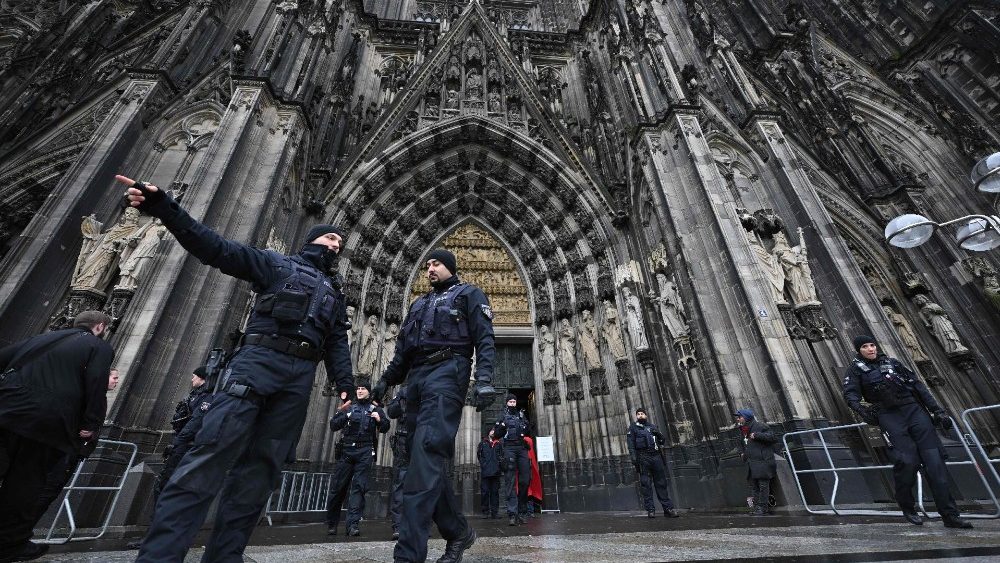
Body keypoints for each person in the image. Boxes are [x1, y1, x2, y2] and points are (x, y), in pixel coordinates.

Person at [118, 175, 356, 562]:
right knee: (207, 459)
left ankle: (226, 557)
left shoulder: (333, 293)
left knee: (260, 476)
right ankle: (160, 557)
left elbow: (336, 343)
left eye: (341, 244)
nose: (337, 246)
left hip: (298, 380)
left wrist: (345, 384)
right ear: (313, 239)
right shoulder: (275, 265)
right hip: (256, 365)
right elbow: (215, 248)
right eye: (332, 239)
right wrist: (165, 208)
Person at [371, 248, 496, 563]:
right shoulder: (419, 304)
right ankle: (458, 532)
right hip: (416, 379)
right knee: (419, 463)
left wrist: (483, 379)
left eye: (436, 263)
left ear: (450, 267)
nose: (429, 268)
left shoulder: (469, 294)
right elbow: (402, 352)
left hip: (448, 372)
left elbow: (484, 339)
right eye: (426, 264)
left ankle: (408, 556)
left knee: (425, 455)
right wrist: (385, 382)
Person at [0, 310, 115, 562]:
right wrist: (91, 422)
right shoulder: (98, 346)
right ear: (99, 327)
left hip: (7, 410)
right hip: (47, 422)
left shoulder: (41, 338)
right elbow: (96, 381)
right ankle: (9, 543)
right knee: (26, 482)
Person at [843, 334, 972, 528]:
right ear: (858, 350)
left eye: (872, 345)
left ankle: (950, 515)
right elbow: (850, 394)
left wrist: (938, 411)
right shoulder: (855, 370)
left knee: (935, 464)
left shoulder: (894, 363)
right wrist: (863, 411)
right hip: (889, 415)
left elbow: (918, 387)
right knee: (906, 462)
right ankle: (907, 505)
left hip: (914, 411)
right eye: (865, 347)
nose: (870, 349)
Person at [27, 368, 120, 548]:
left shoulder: (96, 397)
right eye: (114, 377)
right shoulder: (89, 395)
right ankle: (18, 534)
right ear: (103, 377)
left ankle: (21, 533)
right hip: (65, 450)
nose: (116, 381)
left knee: (49, 492)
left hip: (71, 451)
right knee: (46, 491)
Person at [325, 381, 389, 537]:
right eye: (358, 389)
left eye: (363, 389)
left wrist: (379, 420)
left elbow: (386, 427)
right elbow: (333, 425)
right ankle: (332, 524)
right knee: (338, 487)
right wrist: (345, 415)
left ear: (368, 392)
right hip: (347, 451)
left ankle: (352, 525)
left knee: (359, 488)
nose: (360, 391)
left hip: (365, 450)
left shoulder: (375, 408)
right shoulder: (349, 406)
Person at [154, 366, 214, 498]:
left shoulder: (207, 396)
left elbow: (196, 421)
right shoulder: (195, 394)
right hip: (181, 440)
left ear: (202, 377)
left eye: (194, 376)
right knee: (162, 483)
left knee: (168, 484)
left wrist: (179, 441)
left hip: (186, 443)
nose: (192, 378)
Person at [626, 407, 679, 518]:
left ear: (646, 415)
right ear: (636, 416)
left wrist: (659, 435)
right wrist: (634, 458)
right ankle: (650, 509)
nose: (640, 415)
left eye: (642, 414)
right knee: (646, 484)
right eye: (638, 414)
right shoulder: (633, 428)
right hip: (643, 457)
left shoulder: (652, 427)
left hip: (656, 456)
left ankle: (668, 509)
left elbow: (662, 441)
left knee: (661, 483)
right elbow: (631, 445)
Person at [495, 394, 532, 526]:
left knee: (525, 480)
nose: (512, 403)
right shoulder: (502, 416)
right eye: (510, 401)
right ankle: (512, 513)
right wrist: (502, 427)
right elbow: (496, 434)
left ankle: (522, 512)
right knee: (510, 481)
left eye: (514, 401)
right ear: (506, 403)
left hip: (521, 448)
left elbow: (528, 430)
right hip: (509, 448)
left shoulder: (521, 415)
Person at [734, 408, 777, 516]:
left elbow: (773, 437)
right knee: (754, 486)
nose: (738, 419)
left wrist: (757, 435)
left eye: (740, 417)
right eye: (738, 417)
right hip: (751, 463)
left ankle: (763, 508)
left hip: (762, 461)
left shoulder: (760, 426)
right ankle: (757, 508)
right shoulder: (742, 430)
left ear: (746, 417)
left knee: (763, 485)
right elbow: (740, 444)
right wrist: (741, 453)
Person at [385, 384, 409, 540]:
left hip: (421, 441)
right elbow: (391, 412)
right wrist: (401, 399)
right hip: (403, 441)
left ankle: (420, 525)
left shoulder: (432, 388)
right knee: (400, 482)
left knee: (423, 484)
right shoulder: (403, 391)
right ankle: (399, 526)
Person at [477, 429, 504, 519]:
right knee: (485, 492)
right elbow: (479, 455)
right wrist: (483, 464)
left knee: (495, 493)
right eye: (492, 431)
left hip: (496, 472)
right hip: (486, 472)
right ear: (488, 432)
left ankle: (494, 513)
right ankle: (485, 512)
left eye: (494, 431)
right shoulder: (483, 443)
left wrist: (499, 466)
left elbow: (501, 455)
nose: (493, 432)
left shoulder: (498, 444)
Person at [523, 435, 543, 517]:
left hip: (524, 471)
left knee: (526, 490)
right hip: (528, 470)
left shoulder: (525, 440)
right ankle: (530, 511)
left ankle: (528, 510)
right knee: (528, 490)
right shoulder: (528, 440)